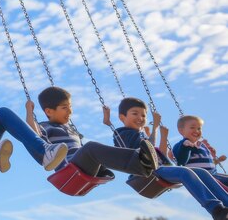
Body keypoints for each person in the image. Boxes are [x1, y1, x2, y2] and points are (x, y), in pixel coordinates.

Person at [105, 97, 228, 220]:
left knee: (201, 172)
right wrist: (155, 128)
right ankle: (216, 209)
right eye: (135, 113)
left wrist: (152, 131)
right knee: (184, 172)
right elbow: (148, 148)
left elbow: (153, 149)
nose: (140, 118)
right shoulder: (123, 132)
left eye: (143, 115)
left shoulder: (139, 133)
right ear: (122, 117)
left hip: (159, 167)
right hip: (146, 170)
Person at [31, 87, 159, 182]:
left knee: (92, 148)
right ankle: (140, 162)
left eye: (70, 106)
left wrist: (107, 122)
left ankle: (141, 161)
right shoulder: (45, 126)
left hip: (83, 165)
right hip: (68, 169)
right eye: (64, 108)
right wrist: (29, 112)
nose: (70, 111)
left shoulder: (70, 129)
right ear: (48, 111)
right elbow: (33, 135)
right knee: (91, 147)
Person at [173, 115, 228, 187]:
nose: (196, 131)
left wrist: (213, 157)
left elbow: (209, 164)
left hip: (213, 176)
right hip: (200, 178)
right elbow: (181, 162)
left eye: (199, 128)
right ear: (181, 130)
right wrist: (186, 148)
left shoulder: (202, 146)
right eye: (192, 127)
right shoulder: (181, 145)